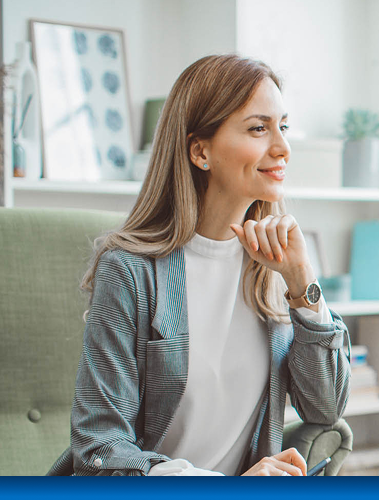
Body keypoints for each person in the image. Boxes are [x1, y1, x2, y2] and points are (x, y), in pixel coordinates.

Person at [48, 55, 351, 476]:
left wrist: (303, 282)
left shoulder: (277, 266)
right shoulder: (131, 272)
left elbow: (326, 406)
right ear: (200, 151)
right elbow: (100, 446)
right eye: (258, 128)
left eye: (283, 126)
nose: (282, 147)